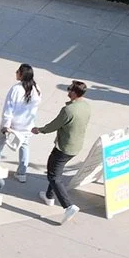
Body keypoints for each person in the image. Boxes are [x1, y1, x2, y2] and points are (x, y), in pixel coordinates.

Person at [33, 78, 92, 225]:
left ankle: (68, 206)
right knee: (55, 171)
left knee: (53, 176)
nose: (68, 90)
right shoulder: (86, 106)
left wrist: (39, 130)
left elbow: (54, 125)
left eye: (69, 88)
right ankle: (49, 196)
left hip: (64, 147)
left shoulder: (68, 110)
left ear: (74, 92)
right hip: (76, 146)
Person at [0, 63, 40, 178]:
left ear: (22, 75)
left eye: (18, 71)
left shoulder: (16, 89)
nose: (16, 73)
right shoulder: (36, 89)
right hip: (27, 125)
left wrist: (5, 125)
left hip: (12, 125)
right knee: (24, 147)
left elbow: (9, 108)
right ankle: (22, 173)